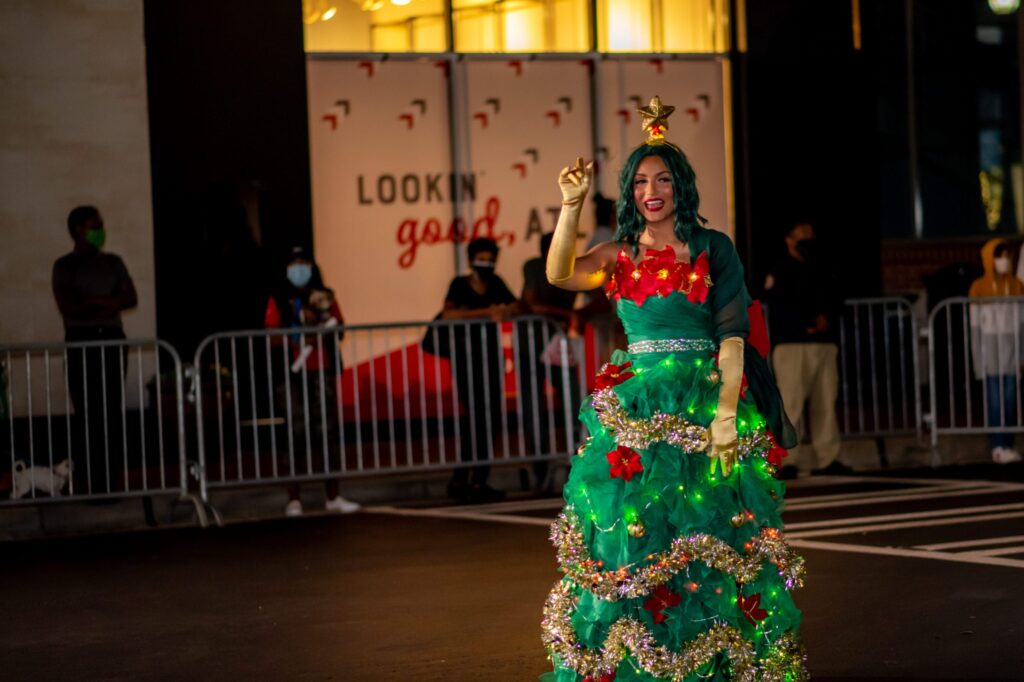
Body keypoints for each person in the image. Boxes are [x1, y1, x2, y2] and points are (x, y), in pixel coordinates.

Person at [539, 97, 806, 682]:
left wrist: (729, 415)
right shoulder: (618, 255)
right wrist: (570, 205)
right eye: (638, 181)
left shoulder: (715, 249)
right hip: (636, 407)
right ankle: (635, 657)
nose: (650, 190)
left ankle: (717, 657)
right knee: (633, 537)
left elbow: (732, 336)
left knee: (712, 530)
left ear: (680, 187)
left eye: (662, 179)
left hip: (705, 398)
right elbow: (559, 274)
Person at [265, 246, 361, 515]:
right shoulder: (279, 298)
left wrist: (323, 319)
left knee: (326, 432)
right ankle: (293, 498)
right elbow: (270, 335)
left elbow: (339, 328)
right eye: (294, 264)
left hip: (322, 370)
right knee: (294, 432)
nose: (299, 270)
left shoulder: (325, 295)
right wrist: (296, 338)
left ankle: (333, 496)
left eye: (304, 264)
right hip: (291, 373)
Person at [52, 206, 137, 493]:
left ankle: (111, 481)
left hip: (112, 339)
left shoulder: (113, 262)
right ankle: (88, 481)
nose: (101, 230)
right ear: (79, 229)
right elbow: (70, 307)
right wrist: (105, 302)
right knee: (87, 411)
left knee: (110, 409)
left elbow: (129, 297)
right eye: (95, 225)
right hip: (81, 341)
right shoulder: (65, 266)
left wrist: (95, 303)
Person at [763, 221, 849, 477]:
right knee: (791, 403)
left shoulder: (822, 267)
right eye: (802, 237)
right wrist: (806, 323)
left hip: (823, 344)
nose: (808, 241)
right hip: (792, 344)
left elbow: (836, 297)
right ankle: (787, 459)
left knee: (825, 401)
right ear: (789, 240)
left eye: (811, 236)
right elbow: (778, 306)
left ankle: (827, 457)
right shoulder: (780, 270)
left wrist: (824, 319)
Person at [440, 237, 521, 503]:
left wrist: (505, 310)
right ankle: (463, 477)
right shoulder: (460, 285)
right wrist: (486, 312)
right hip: (466, 360)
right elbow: (448, 315)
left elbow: (517, 306)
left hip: (490, 359)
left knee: (490, 419)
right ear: (471, 259)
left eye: (491, 258)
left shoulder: (495, 283)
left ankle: (477, 478)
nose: (486, 263)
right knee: (474, 419)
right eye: (482, 258)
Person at [518, 233, 582, 489]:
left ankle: (574, 458)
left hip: (558, 345)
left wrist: (578, 314)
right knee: (535, 407)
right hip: (531, 346)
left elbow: (601, 298)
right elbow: (531, 303)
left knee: (573, 403)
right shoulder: (534, 267)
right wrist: (568, 314)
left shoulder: (576, 267)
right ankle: (539, 466)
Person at [969, 238, 1024, 464]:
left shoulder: (1017, 286)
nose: (1005, 260)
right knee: (994, 400)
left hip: (1011, 355)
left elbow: (1021, 326)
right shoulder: (979, 287)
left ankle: (1007, 443)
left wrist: (1021, 356)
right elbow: (974, 329)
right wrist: (978, 362)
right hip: (990, 356)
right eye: (1000, 255)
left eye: (1007, 256)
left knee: (1010, 400)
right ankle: (997, 445)